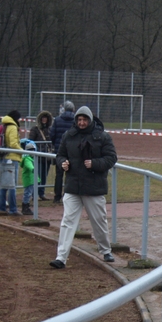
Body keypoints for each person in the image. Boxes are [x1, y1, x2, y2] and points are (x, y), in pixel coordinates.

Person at [50, 106, 117, 269]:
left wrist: (95, 163)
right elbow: (60, 155)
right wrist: (62, 163)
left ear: (90, 120)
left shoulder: (102, 137)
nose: (81, 123)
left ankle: (105, 250)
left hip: (94, 188)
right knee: (67, 222)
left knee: (99, 221)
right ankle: (61, 257)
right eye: (79, 120)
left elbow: (111, 158)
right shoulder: (68, 135)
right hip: (73, 186)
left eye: (84, 120)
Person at [49, 101, 76, 204]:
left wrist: (55, 145)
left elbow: (52, 135)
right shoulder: (75, 121)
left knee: (59, 174)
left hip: (59, 150)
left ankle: (57, 196)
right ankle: (68, 195)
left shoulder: (57, 120)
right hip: (72, 151)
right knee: (70, 175)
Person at [0, 110, 23, 215]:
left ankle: (1, 207)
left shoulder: (5, 125)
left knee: (4, 184)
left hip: (5, 157)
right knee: (12, 185)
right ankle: (13, 209)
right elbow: (13, 143)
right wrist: (22, 151)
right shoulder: (12, 127)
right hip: (12, 158)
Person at [28, 110, 53, 200]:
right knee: (37, 176)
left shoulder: (50, 130)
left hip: (47, 157)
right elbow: (30, 141)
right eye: (43, 118)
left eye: (46, 118)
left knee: (44, 176)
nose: (44, 119)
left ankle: (41, 193)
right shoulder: (35, 129)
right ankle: (35, 194)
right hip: (38, 156)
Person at [19, 139, 37, 215]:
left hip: (31, 179)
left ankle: (26, 206)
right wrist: (33, 169)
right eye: (31, 150)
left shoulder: (30, 158)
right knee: (27, 193)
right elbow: (29, 166)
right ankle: (25, 207)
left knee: (28, 193)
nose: (32, 152)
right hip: (29, 179)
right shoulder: (27, 159)